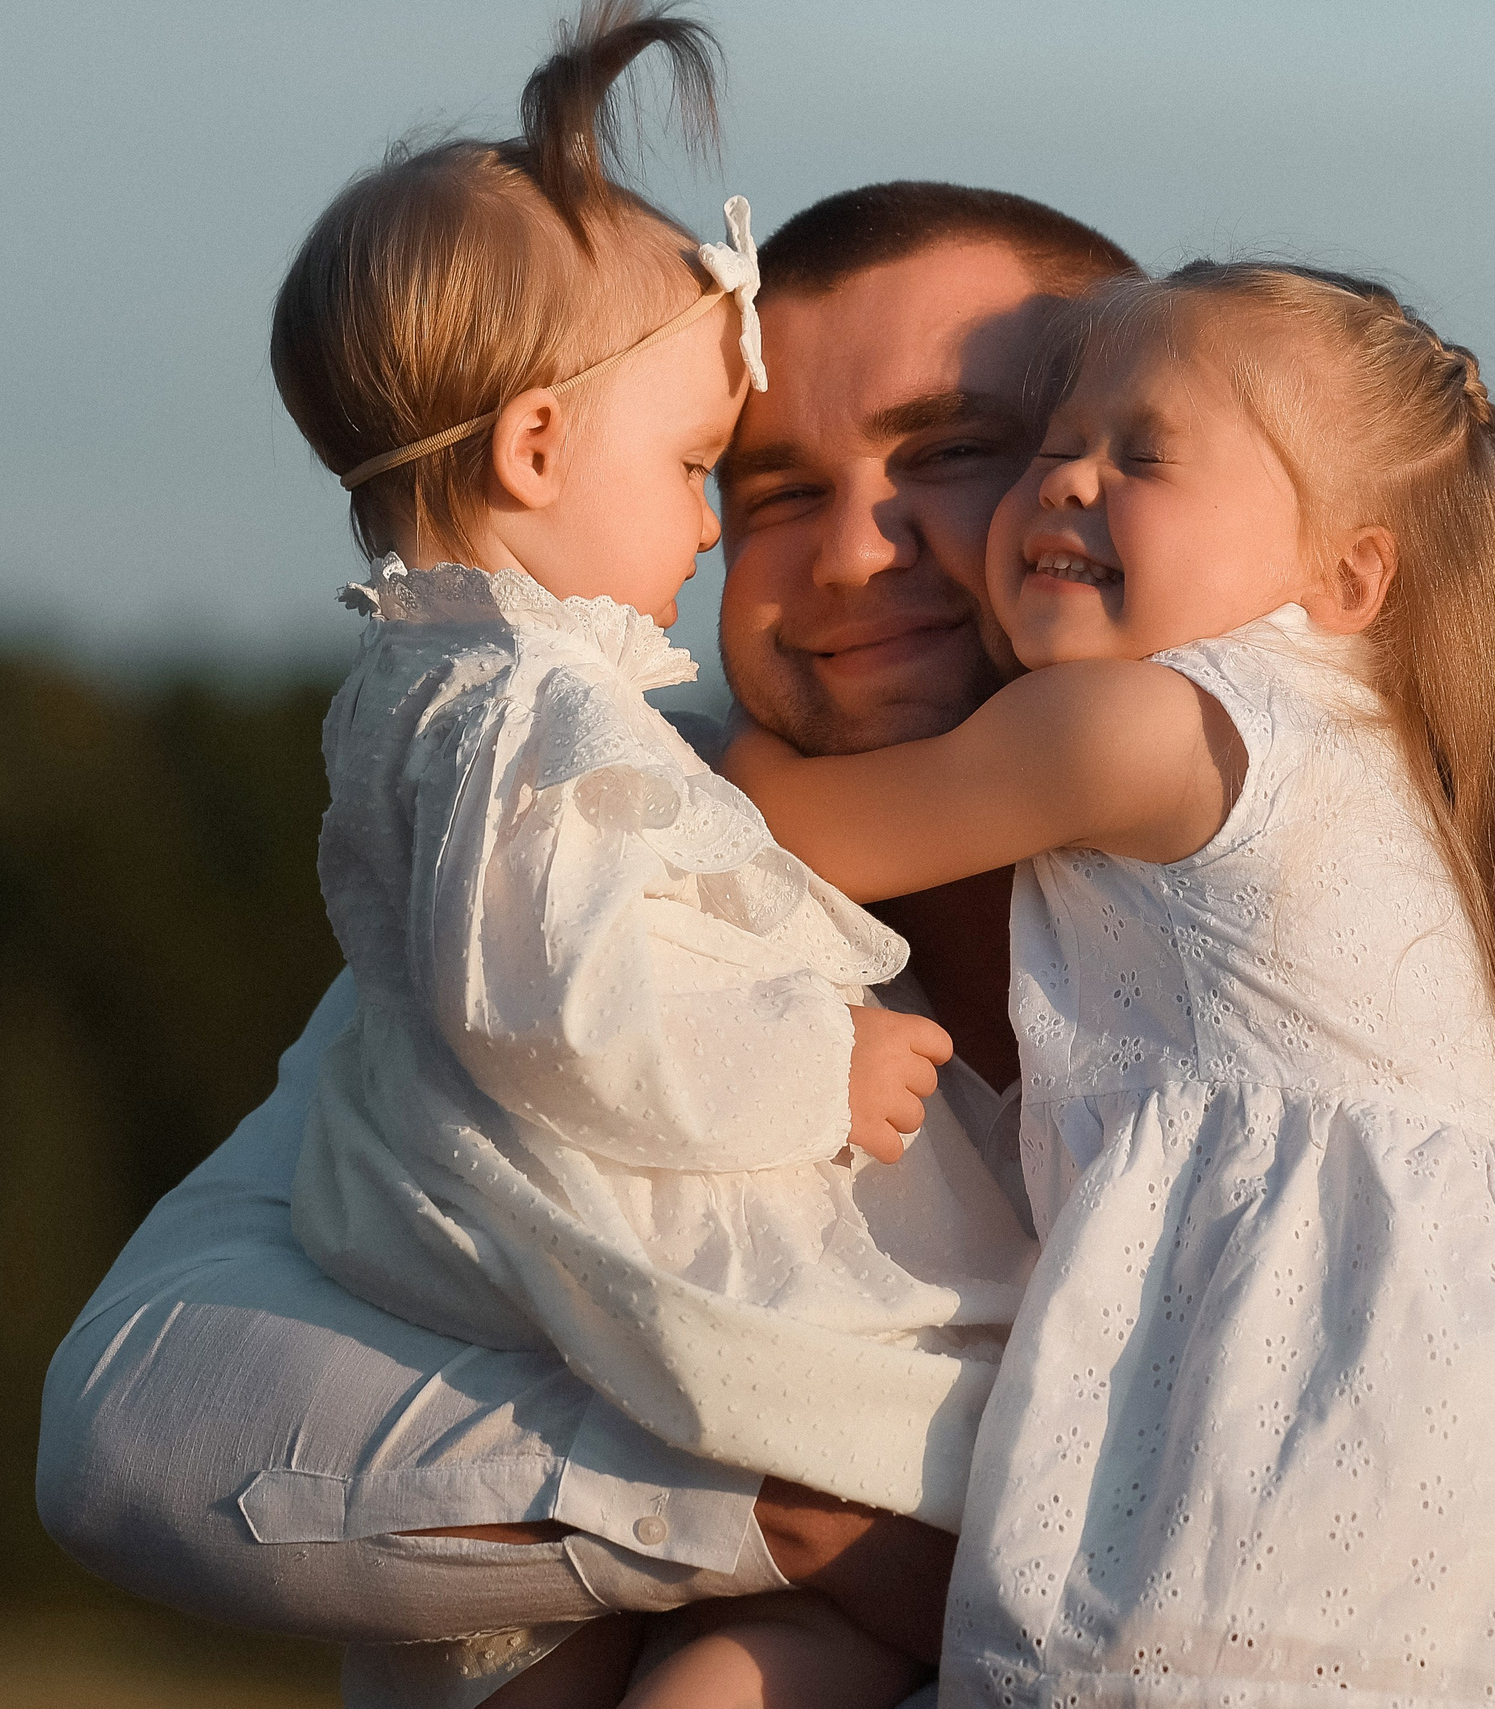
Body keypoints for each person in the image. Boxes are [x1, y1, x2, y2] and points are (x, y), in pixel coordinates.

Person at [38, 179, 1495, 1708]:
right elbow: (136, 1418)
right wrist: (782, 1520)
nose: (862, 544)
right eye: (762, 482)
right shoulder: (579, 911)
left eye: (970, 447)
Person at [725, 257, 1495, 1704]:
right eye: (1051, 447)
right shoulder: (1383, 761)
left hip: (1306, 1450)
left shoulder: (1151, 726)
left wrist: (686, 728)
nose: (1069, 483)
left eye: (1142, 455)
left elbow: (794, 830)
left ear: (1348, 574)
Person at [259, 11, 1029, 1707]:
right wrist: (807, 1061)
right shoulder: (527, 719)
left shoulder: (450, 693)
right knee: (906, 1450)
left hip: (535, 1303)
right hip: (649, 1259)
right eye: (714, 472)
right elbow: (574, 1001)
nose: (704, 528)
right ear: (536, 450)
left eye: (951, 455)